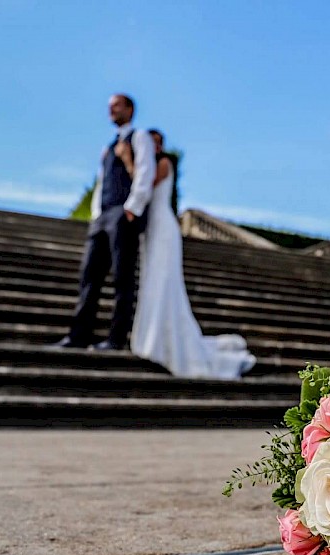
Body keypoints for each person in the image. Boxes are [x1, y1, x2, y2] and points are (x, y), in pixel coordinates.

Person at [129, 129, 256, 379]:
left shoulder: (163, 163)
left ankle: (163, 342)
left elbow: (144, 184)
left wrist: (127, 160)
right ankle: (153, 339)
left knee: (165, 283)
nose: (150, 147)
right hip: (151, 229)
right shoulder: (149, 164)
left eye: (155, 142)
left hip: (164, 227)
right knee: (153, 283)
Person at [53, 94, 155, 350]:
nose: (111, 109)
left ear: (130, 109)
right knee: (89, 276)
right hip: (103, 216)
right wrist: (97, 213)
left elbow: (145, 172)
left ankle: (116, 339)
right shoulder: (107, 148)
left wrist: (132, 208)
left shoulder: (140, 137)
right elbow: (101, 182)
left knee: (122, 278)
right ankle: (78, 335)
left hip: (123, 212)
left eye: (117, 105)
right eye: (110, 106)